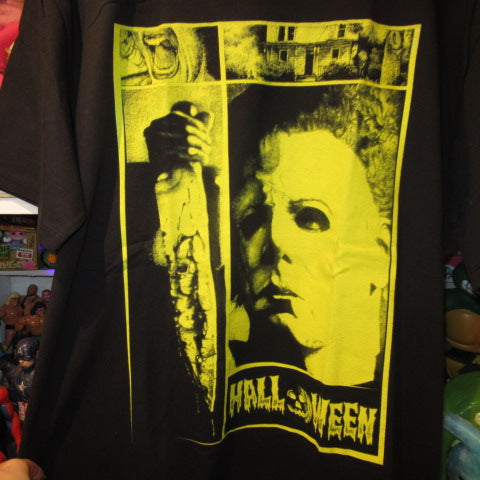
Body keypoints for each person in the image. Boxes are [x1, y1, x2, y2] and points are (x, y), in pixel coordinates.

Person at [146, 84, 399, 389]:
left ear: (379, 252)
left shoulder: (407, 390)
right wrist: (174, 183)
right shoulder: (200, 385)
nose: (275, 241)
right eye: (252, 219)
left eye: (311, 218)